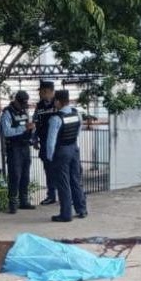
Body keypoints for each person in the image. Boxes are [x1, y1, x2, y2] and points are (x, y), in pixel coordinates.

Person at [44, 89, 87, 223]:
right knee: (75, 180)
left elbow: (51, 141)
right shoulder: (76, 113)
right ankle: (81, 210)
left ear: (58, 101)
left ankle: (66, 214)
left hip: (61, 151)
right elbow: (78, 130)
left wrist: (50, 157)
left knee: (63, 183)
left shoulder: (56, 118)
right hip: (74, 148)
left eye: (54, 101)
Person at [0, 90, 36, 214]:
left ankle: (24, 201)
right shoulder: (7, 113)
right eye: (21, 104)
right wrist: (23, 128)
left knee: (25, 175)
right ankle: (12, 204)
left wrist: (31, 131)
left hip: (25, 146)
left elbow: (28, 125)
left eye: (24, 104)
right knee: (15, 176)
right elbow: (7, 132)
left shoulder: (25, 111)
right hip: (14, 148)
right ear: (16, 101)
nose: (23, 107)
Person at [33, 80, 57, 206]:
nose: (41, 94)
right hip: (44, 143)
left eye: (44, 92)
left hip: (57, 144)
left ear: (52, 92)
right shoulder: (39, 106)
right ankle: (51, 196)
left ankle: (66, 196)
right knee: (48, 170)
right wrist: (34, 139)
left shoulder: (57, 104)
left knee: (61, 170)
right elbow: (35, 122)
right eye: (41, 92)